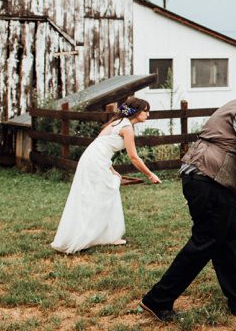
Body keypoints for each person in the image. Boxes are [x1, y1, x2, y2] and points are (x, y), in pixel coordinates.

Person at [140, 73, 236, 320]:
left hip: (206, 177)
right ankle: (158, 300)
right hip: (208, 179)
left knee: (229, 238)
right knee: (205, 241)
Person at [50, 96, 162, 254]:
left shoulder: (117, 122)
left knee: (106, 191)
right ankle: (88, 236)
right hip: (95, 161)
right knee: (103, 193)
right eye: (145, 111)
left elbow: (100, 145)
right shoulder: (127, 128)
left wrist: (110, 168)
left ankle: (108, 235)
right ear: (136, 112)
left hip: (92, 159)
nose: (148, 114)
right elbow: (134, 157)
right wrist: (150, 175)